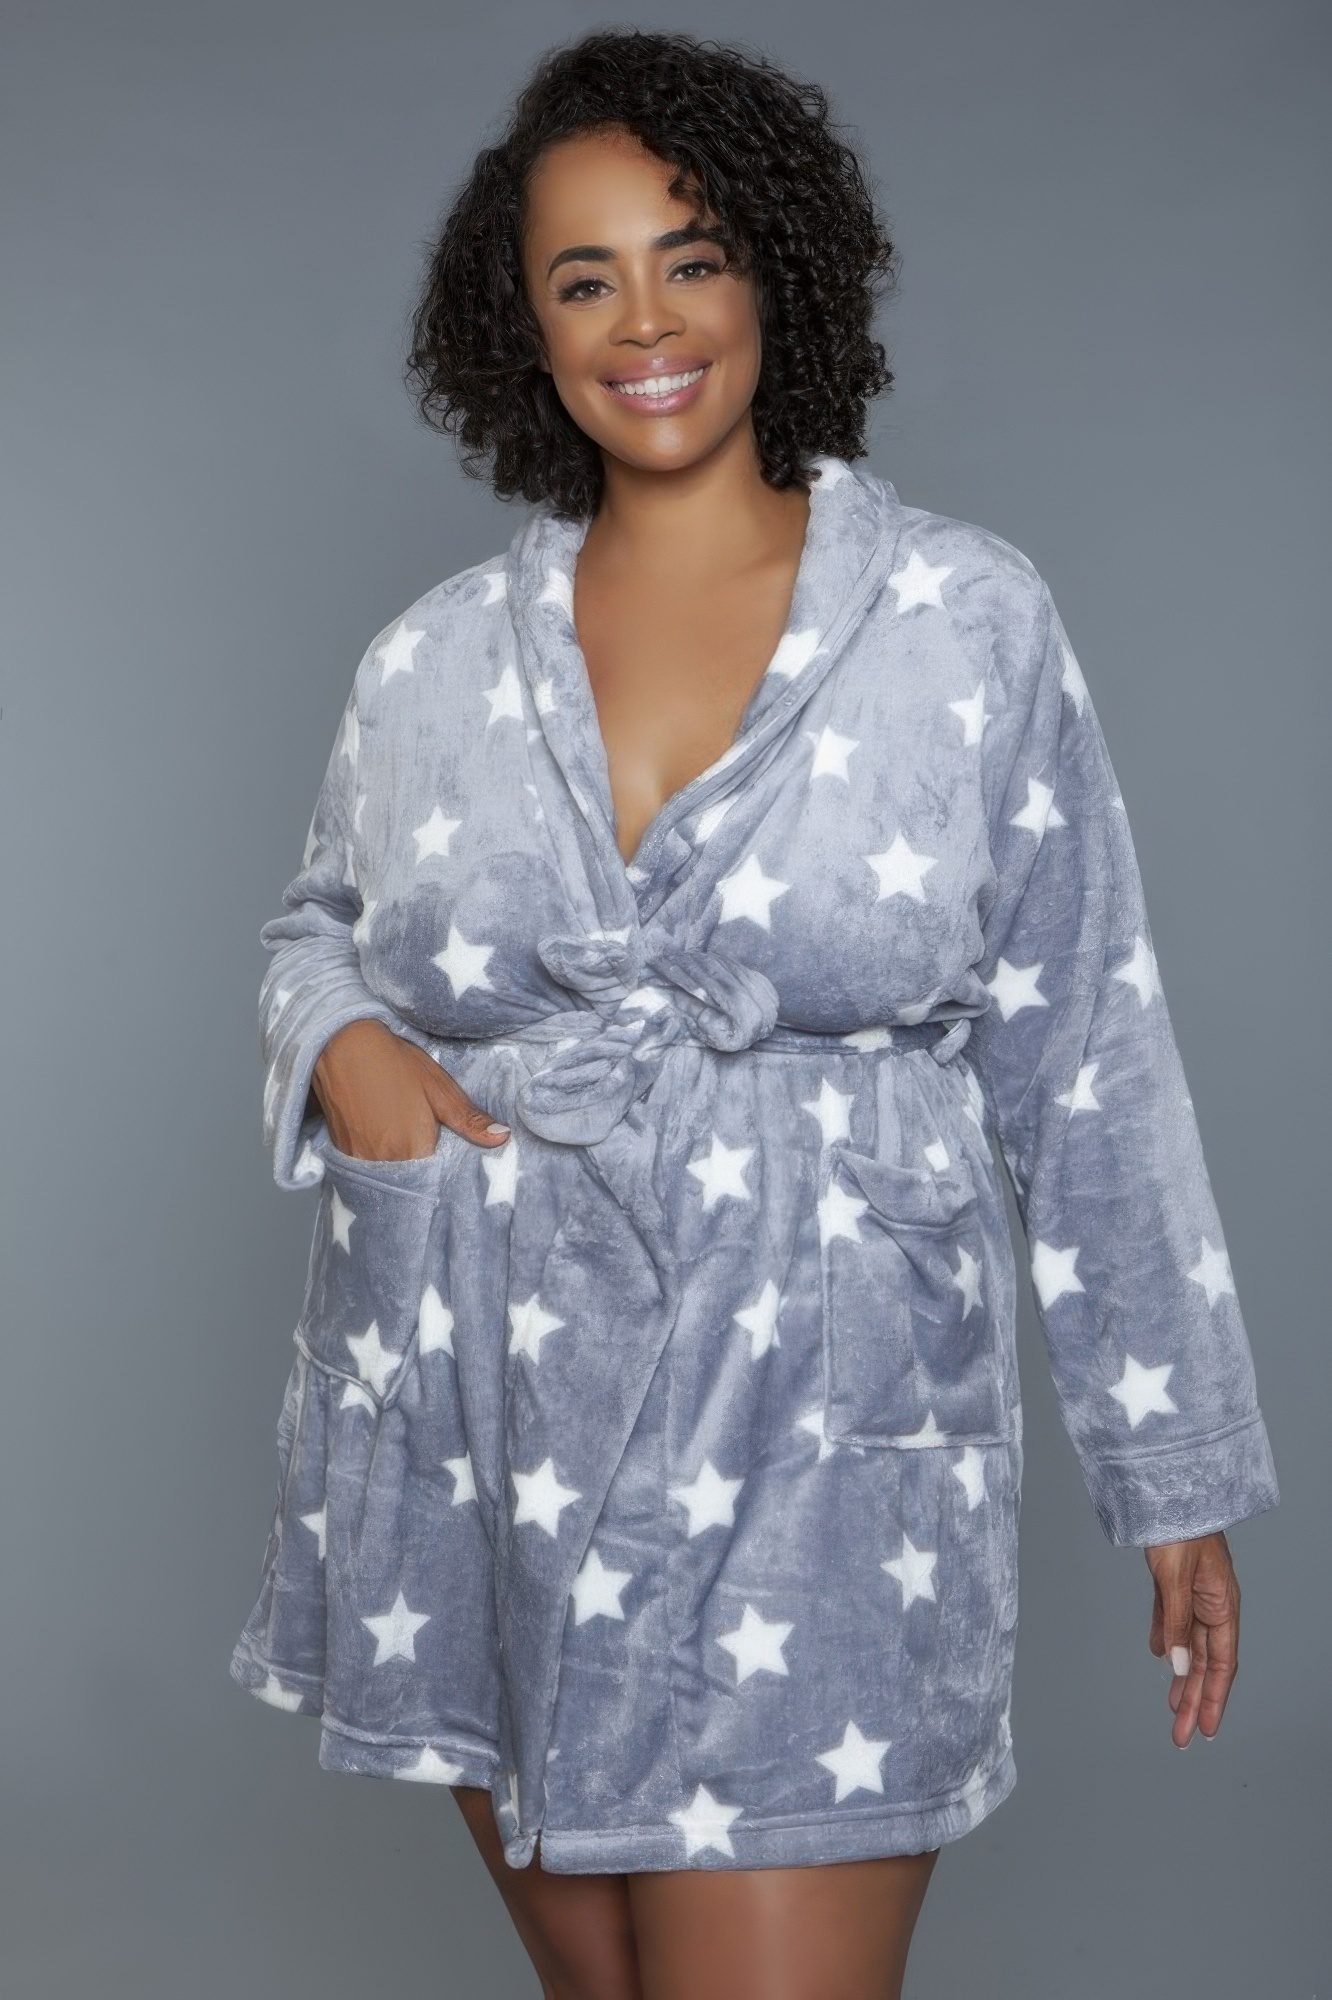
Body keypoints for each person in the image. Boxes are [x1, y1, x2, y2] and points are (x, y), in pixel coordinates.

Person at [228, 27, 1280, 1999]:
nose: (646, 320)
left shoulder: (964, 621)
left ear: (774, 273)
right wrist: (346, 1052)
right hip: (492, 1428)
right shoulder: (431, 663)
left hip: (815, 1449)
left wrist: (1178, 1473)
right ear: (522, 327)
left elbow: (1087, 1054)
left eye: (692, 255)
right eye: (585, 277)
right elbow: (317, 932)